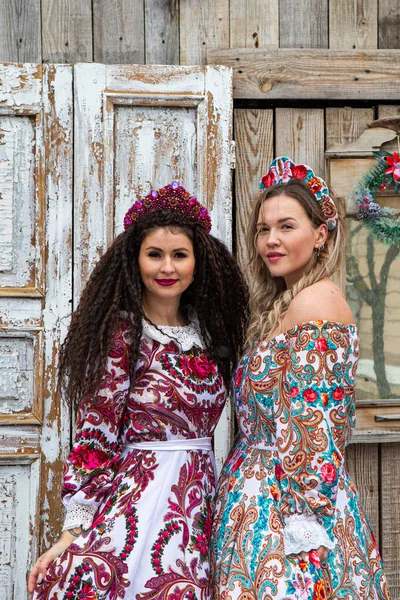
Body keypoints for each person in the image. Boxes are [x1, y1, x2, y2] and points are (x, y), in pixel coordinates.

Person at [28, 181, 249, 600]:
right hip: (138, 499)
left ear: (197, 262)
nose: (167, 267)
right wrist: (73, 530)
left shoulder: (211, 331)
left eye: (179, 255)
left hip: (200, 499)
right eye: (155, 254)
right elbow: (96, 434)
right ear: (136, 260)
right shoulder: (123, 334)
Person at [211, 157, 391, 599]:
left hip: (291, 512)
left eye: (286, 226)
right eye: (262, 229)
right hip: (257, 499)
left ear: (321, 234)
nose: (270, 240)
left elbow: (318, 429)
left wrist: (304, 526)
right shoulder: (284, 303)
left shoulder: (317, 304)